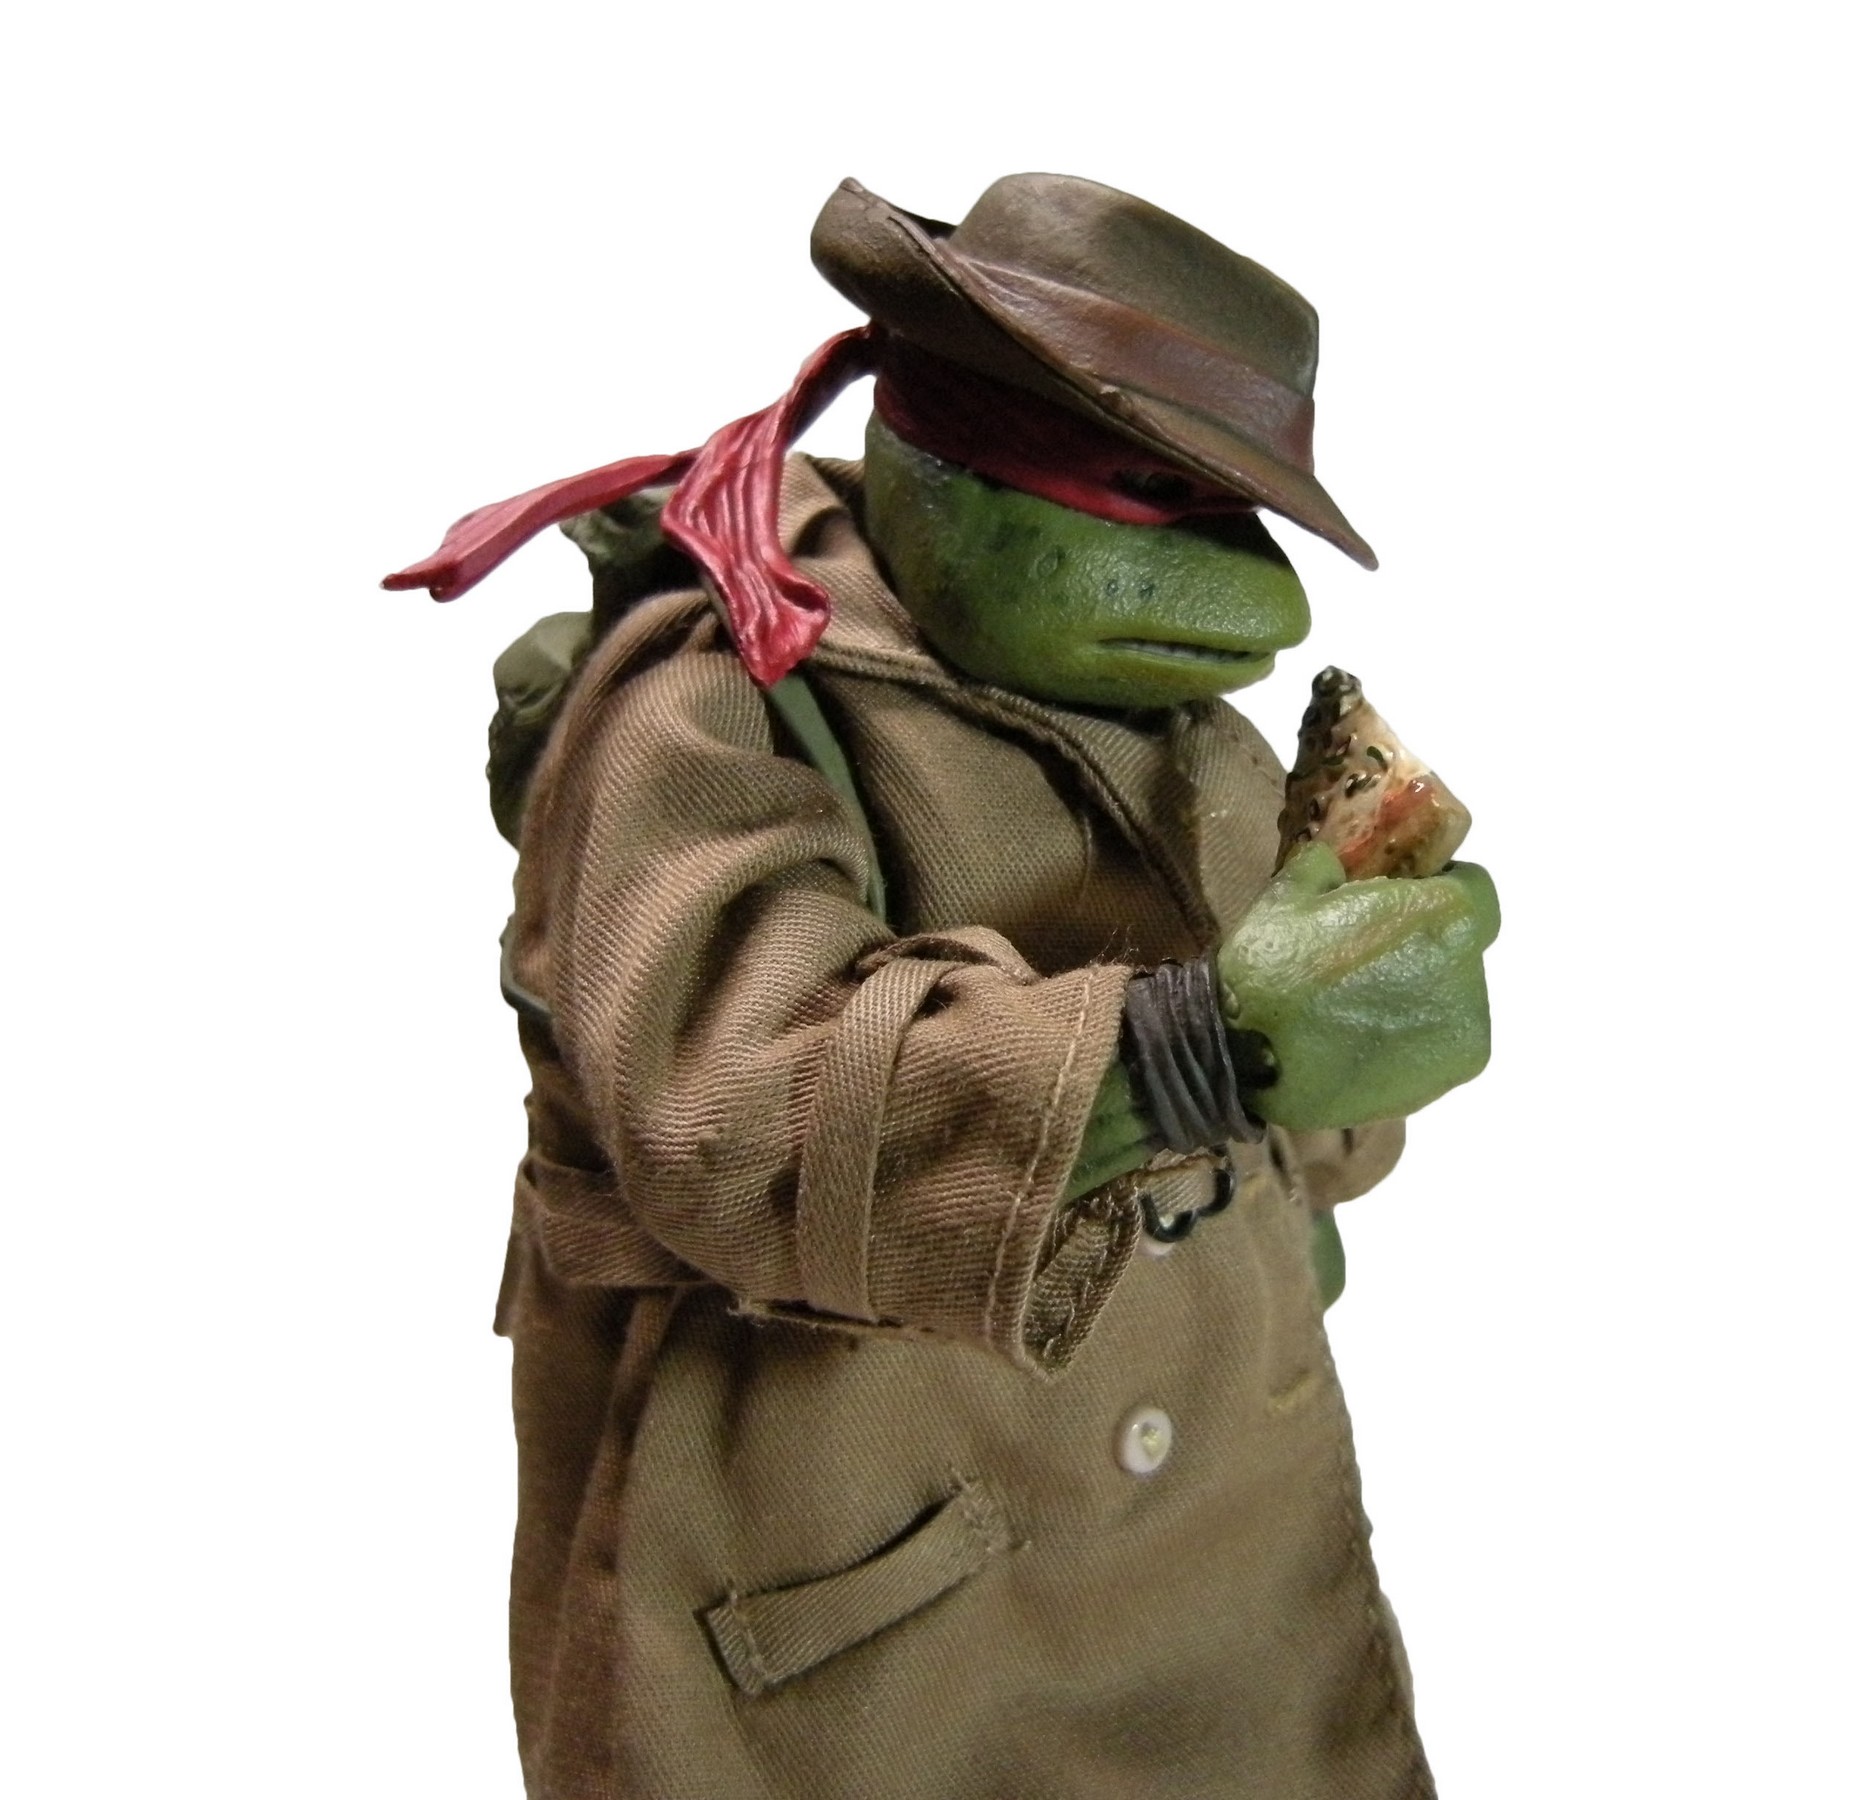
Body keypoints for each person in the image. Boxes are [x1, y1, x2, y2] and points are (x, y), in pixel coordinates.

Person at [389, 172, 1499, 1800]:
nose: (1264, 600)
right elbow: (732, 1124)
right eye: (1156, 499)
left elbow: (1309, 1138)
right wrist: (1201, 1050)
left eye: (1246, 516)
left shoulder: (1195, 731)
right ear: (953, 448)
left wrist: (1366, 1007)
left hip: (1226, 1562)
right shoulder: (712, 712)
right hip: (880, 1595)